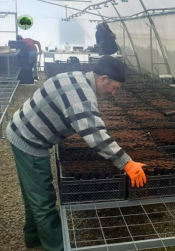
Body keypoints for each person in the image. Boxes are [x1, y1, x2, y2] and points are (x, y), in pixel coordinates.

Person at [6, 56, 147, 250]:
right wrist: (127, 163)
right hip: (30, 140)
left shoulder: (75, 77)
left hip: (21, 128)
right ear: (103, 79)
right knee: (44, 201)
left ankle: (33, 239)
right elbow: (94, 134)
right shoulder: (81, 95)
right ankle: (55, 246)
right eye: (114, 87)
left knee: (33, 194)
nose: (114, 93)